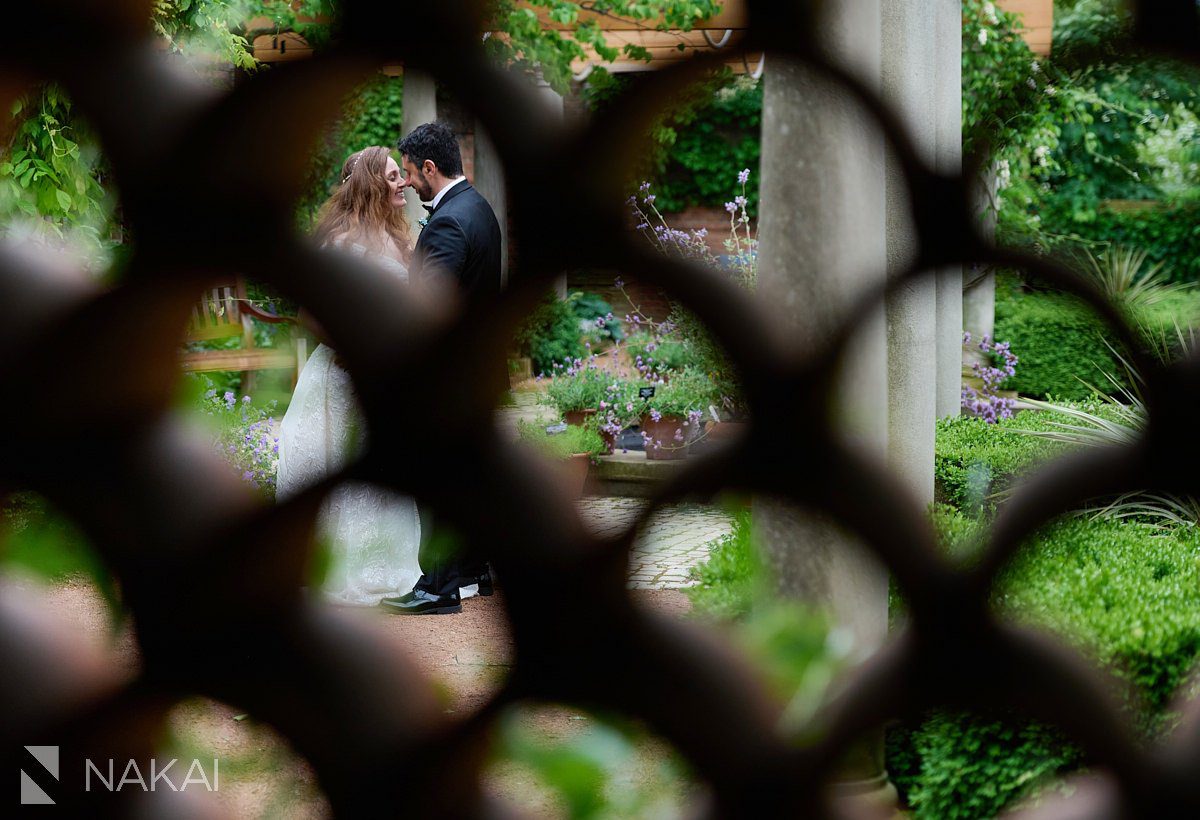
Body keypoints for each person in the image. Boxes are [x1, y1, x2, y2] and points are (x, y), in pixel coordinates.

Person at [276, 146, 431, 606]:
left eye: (399, 176)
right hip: (346, 376)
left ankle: (386, 566)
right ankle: (343, 568)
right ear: (369, 185)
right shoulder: (343, 243)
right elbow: (310, 313)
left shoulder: (396, 237)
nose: (401, 182)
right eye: (391, 177)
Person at [380, 121, 503, 616]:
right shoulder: (478, 208)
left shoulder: (450, 221)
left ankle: (437, 587)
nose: (406, 182)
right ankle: (473, 571)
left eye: (409, 173)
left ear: (430, 168)